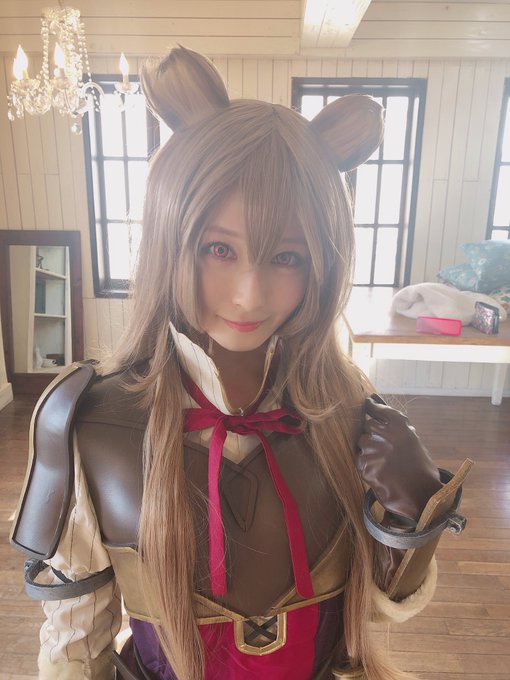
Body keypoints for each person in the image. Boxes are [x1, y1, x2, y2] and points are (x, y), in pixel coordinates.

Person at [10, 46, 471, 680]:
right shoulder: (89, 421)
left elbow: (384, 607)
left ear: (322, 264)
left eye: (287, 257)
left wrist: (414, 510)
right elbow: (75, 641)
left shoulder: (346, 408)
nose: (250, 296)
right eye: (219, 249)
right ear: (170, 240)